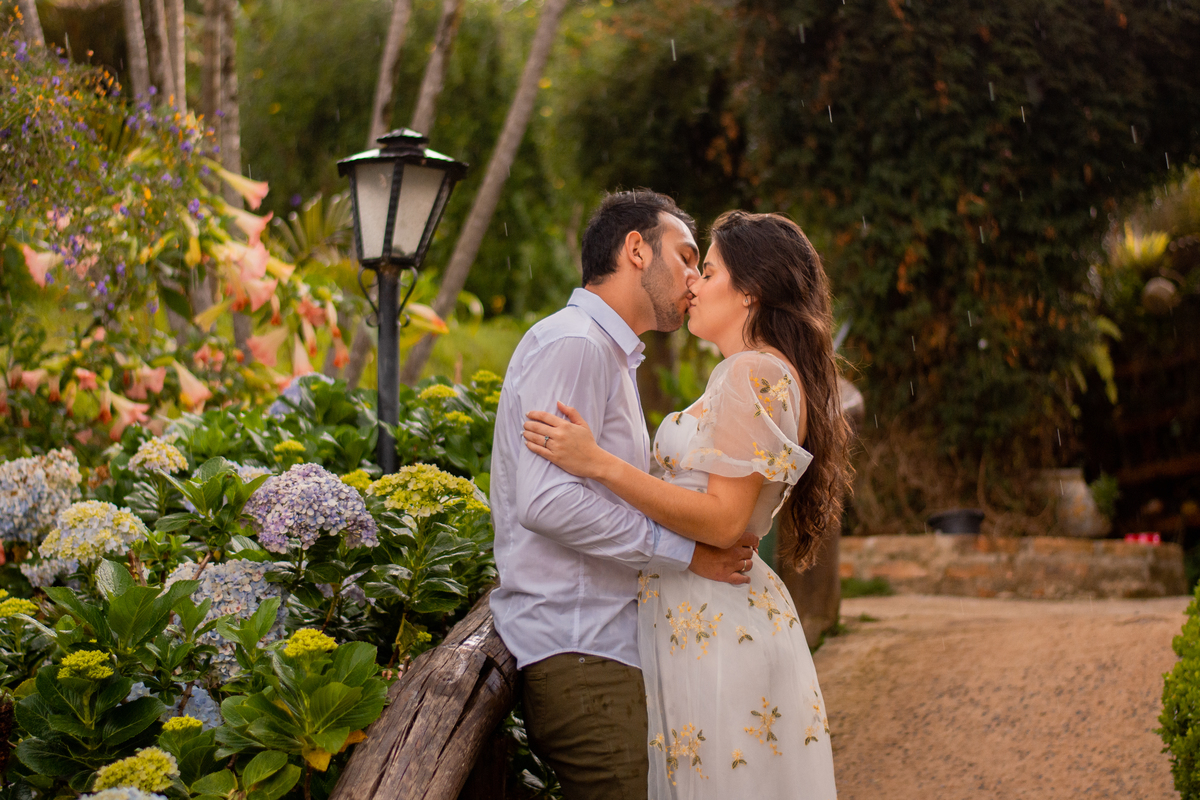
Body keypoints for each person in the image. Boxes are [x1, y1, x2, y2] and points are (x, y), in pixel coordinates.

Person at [523, 210, 852, 798]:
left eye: (711, 269)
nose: (695, 282)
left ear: (750, 290)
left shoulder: (748, 375)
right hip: (713, 612)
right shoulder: (763, 374)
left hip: (714, 617)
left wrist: (599, 462)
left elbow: (725, 521)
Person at [489, 191, 760, 800]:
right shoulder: (576, 344)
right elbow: (546, 502)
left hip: (605, 645)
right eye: (689, 258)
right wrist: (686, 554)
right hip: (581, 648)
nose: (695, 278)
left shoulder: (606, 354)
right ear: (636, 249)